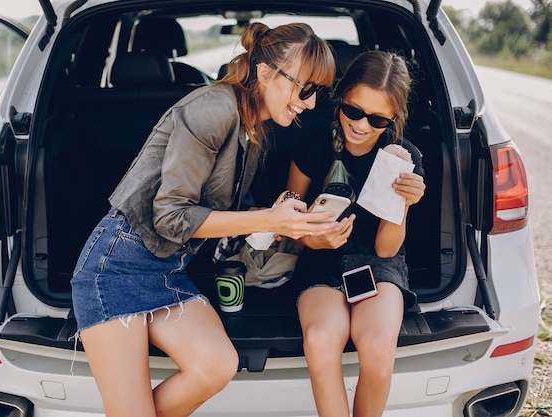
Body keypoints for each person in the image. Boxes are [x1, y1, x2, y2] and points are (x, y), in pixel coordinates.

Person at [70, 22, 338, 417]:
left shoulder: (253, 125)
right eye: (306, 89)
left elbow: (223, 208)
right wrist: (268, 220)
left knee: (217, 364)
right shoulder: (212, 108)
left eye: (319, 92)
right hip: (118, 265)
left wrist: (277, 216)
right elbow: (171, 217)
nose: (311, 103)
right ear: (266, 74)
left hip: (169, 266)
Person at [286, 50, 426, 417]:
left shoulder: (402, 157)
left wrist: (404, 205)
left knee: (379, 346)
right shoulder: (314, 145)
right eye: (353, 111)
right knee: (320, 340)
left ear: (394, 117)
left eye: (378, 118)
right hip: (320, 258)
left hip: (378, 265)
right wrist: (309, 238)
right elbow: (287, 218)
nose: (362, 125)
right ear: (341, 97)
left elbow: (385, 249)